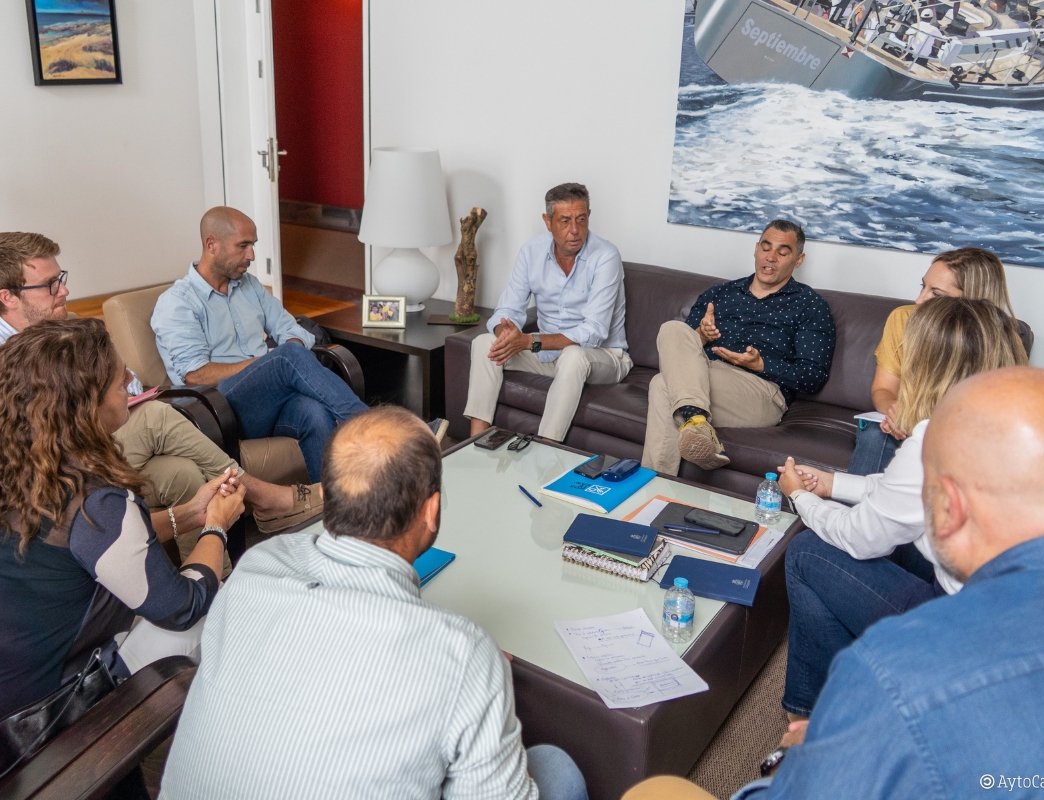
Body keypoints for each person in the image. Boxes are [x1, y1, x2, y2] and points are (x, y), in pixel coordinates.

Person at [726, 367, 1044, 798]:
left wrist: (787, 760)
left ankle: (803, 720)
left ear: (949, 508)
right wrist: (836, 484)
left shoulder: (895, 672)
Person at [160, 406, 589, 800]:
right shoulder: (464, 655)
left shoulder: (257, 567)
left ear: (330, 494)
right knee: (557, 769)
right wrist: (474, 675)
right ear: (431, 511)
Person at [0, 318, 246, 767]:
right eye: (119, 382)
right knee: (208, 617)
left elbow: (94, 548)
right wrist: (216, 526)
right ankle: (219, 761)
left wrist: (190, 513)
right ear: (83, 406)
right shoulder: (94, 497)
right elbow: (182, 605)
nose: (131, 383)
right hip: (21, 732)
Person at [0, 231, 323, 540]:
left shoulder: (71, 334)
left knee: (182, 473)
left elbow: (130, 385)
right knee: (155, 416)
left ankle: (208, 584)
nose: (65, 291)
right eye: (50, 285)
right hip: (39, 471)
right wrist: (70, 424)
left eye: (62, 279)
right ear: (8, 297)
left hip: (99, 447)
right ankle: (266, 497)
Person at [774, 297, 1026, 721]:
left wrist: (802, 499)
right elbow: (908, 493)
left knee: (805, 553)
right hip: (1008, 613)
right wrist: (835, 483)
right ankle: (850, 684)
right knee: (903, 544)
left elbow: (860, 539)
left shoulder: (936, 437)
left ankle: (811, 713)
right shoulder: (1011, 421)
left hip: (958, 625)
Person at [152, 206, 372, 483]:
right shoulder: (178, 302)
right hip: (217, 408)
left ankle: (334, 510)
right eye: (243, 246)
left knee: (314, 414)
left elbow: (293, 330)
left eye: (253, 245)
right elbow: (196, 375)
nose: (252, 256)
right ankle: (379, 430)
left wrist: (278, 363)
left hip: (266, 401)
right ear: (212, 245)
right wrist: (270, 364)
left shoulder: (250, 286)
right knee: (286, 357)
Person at [642, 220, 835, 474]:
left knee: (662, 385)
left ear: (798, 260)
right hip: (704, 375)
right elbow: (681, 350)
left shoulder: (810, 305)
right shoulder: (720, 294)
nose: (771, 257)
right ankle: (697, 422)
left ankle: (652, 488)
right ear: (755, 249)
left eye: (783, 252)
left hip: (761, 391)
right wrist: (701, 336)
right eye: (766, 248)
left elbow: (813, 377)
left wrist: (761, 364)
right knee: (672, 329)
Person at [465, 183, 630, 442]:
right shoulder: (531, 252)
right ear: (548, 221)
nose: (574, 230)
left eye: (581, 219)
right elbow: (507, 309)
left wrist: (531, 341)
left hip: (604, 357)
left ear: (589, 216)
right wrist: (505, 331)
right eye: (564, 221)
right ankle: (476, 442)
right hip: (548, 354)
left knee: (574, 356)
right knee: (485, 343)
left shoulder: (606, 256)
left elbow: (594, 331)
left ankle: (546, 449)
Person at [849, 246, 1016, 475]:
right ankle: (860, 510)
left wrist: (922, 427)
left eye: (936, 294)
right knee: (876, 434)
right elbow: (883, 389)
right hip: (905, 425)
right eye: (923, 286)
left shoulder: (1001, 342)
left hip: (956, 436)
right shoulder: (903, 318)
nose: (919, 301)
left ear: (971, 301)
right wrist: (896, 412)